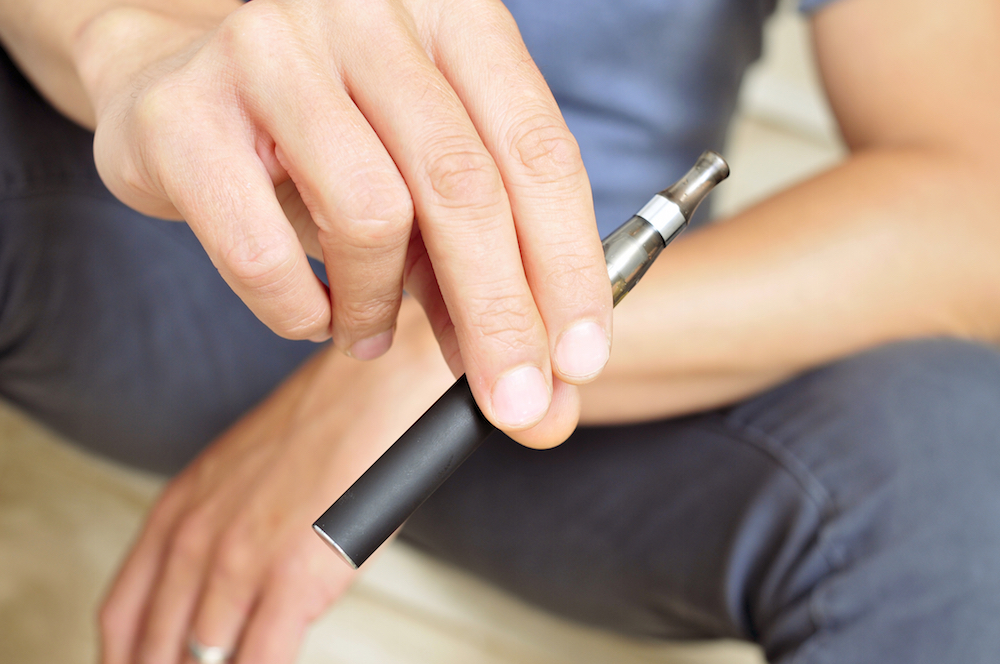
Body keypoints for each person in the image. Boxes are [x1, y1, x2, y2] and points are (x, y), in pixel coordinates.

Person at [1, 0, 999, 662]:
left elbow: (970, 208)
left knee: (951, 457)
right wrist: (123, 39)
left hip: (577, 396)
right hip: (159, 234)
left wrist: (458, 349)